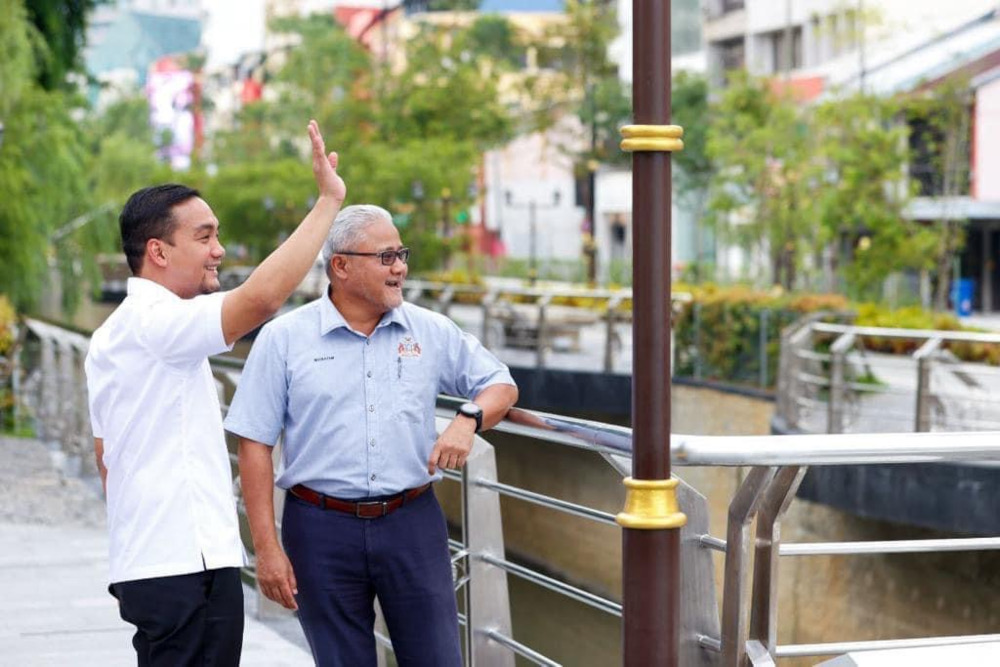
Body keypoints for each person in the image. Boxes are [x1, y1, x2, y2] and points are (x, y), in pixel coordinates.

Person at [84, 120, 346, 666]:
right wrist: (328, 203)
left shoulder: (122, 330)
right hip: (177, 565)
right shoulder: (154, 323)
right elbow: (261, 301)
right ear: (157, 251)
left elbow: (105, 457)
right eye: (204, 237)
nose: (219, 251)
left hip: (172, 559)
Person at [224, 204, 518, 666]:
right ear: (340, 265)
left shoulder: (430, 331)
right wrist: (267, 549)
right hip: (319, 528)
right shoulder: (284, 339)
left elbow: (501, 385)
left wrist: (467, 420)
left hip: (411, 523)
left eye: (401, 254)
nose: (400, 266)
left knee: (438, 659)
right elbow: (254, 445)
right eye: (385, 257)